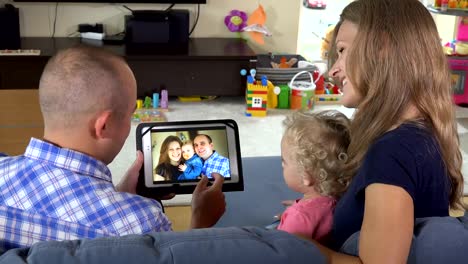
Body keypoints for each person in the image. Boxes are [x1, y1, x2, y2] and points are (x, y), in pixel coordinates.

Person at [0, 45, 225, 251]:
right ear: (104, 125)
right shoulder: (142, 223)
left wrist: (121, 195)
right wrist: (200, 223)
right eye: (129, 115)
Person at [303, 0, 467, 263]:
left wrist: (300, 245)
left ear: (382, 48)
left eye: (342, 51)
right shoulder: (421, 133)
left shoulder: (392, 151)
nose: (333, 70)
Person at [277, 110, 350, 245]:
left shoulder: (298, 218)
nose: (282, 165)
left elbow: (283, 253)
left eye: (284, 162)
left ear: (305, 175)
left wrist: (295, 217)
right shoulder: (340, 200)